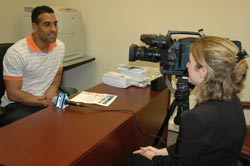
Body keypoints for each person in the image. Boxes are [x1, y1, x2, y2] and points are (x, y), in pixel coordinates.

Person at [126, 36, 248, 166]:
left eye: (189, 61)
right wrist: (162, 151)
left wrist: (152, 157)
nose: (186, 65)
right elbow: (194, 145)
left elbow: (177, 163)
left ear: (203, 71)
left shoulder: (197, 118)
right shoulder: (233, 101)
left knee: (135, 160)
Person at [0, 5, 65, 127]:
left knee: (71, 116)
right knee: (35, 131)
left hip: (48, 99)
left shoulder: (60, 47)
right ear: (34, 27)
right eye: (47, 25)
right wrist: (42, 101)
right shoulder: (17, 53)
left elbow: (58, 74)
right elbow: (13, 93)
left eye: (55, 24)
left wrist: (53, 89)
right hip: (20, 104)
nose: (53, 29)